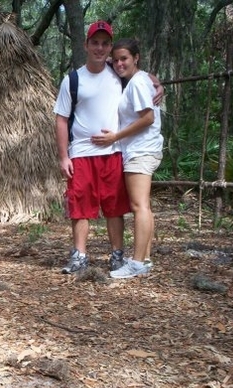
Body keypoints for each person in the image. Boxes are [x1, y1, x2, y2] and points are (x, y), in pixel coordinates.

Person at [54, 21, 162, 275]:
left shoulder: (118, 74)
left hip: (114, 152)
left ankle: (117, 255)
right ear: (86, 44)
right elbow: (61, 118)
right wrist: (63, 156)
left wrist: (159, 85)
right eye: (95, 42)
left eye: (105, 44)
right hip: (81, 152)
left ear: (110, 47)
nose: (99, 48)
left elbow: (144, 77)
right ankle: (79, 255)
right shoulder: (72, 80)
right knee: (80, 206)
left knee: (115, 207)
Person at [91, 38, 164, 278]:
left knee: (138, 205)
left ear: (136, 58)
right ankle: (145, 257)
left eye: (125, 59)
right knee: (144, 205)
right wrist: (156, 80)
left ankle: (137, 262)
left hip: (141, 150)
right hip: (139, 149)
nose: (119, 63)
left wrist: (115, 137)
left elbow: (147, 118)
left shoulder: (137, 84)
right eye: (117, 59)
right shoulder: (136, 80)